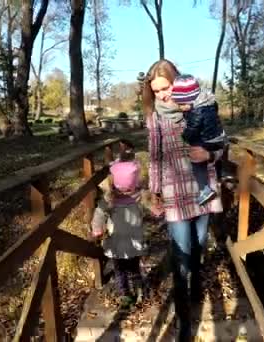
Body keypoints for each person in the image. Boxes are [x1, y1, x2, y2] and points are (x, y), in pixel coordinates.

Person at [143, 59, 223, 341]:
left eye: (165, 88)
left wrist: (211, 155)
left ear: (176, 82)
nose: (162, 95)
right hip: (173, 190)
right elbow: (154, 158)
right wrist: (154, 193)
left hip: (203, 188)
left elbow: (220, 142)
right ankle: (184, 324)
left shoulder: (199, 105)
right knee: (181, 255)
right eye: (156, 91)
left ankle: (197, 286)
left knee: (199, 246)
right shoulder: (155, 118)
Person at [91, 139, 145, 310]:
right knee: (121, 269)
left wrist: (162, 207)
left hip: (131, 241)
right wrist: (97, 228)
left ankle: (137, 288)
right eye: (122, 188)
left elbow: (152, 203)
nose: (125, 192)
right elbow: (99, 212)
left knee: (132, 266)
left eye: (127, 188)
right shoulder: (110, 199)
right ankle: (125, 293)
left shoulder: (137, 195)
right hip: (117, 242)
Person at [171, 74, 226, 205]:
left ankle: (204, 189)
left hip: (208, 139)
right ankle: (220, 174)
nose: (181, 108)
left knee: (196, 162)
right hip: (217, 136)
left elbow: (192, 129)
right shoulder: (208, 104)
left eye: (183, 104)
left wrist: (185, 136)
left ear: (192, 100)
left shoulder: (197, 112)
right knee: (208, 157)